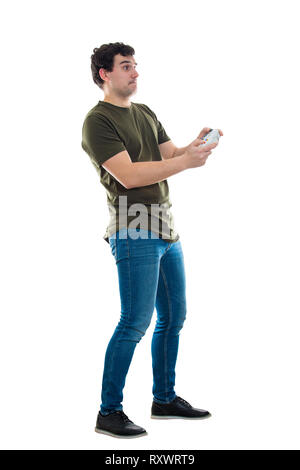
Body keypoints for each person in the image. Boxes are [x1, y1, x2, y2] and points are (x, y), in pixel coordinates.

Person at [81, 42, 223, 439]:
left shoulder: (144, 113)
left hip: (166, 228)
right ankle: (109, 412)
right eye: (126, 66)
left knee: (174, 317)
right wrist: (183, 163)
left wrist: (192, 148)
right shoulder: (97, 121)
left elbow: (169, 154)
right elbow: (130, 175)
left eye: (136, 66)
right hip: (133, 230)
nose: (136, 73)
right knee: (134, 322)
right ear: (105, 74)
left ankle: (164, 399)